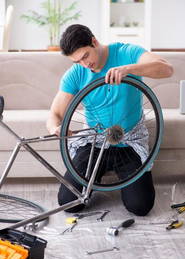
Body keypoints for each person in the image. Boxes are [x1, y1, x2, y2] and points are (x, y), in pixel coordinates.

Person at [46, 24, 173, 215]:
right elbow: (54, 114)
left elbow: (167, 69)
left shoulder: (127, 52)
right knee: (69, 202)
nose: (84, 64)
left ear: (94, 42)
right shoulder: (76, 74)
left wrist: (129, 69)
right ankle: (93, 179)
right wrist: (55, 127)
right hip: (94, 141)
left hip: (129, 141)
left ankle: (101, 180)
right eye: (77, 61)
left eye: (85, 56)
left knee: (140, 206)